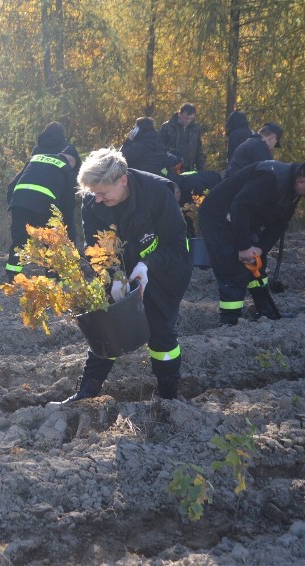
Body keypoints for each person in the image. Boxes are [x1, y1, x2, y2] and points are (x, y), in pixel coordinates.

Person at [60, 148, 191, 403]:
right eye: (92, 193)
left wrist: (146, 265)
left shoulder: (156, 193)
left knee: (160, 332)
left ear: (122, 180)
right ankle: (87, 391)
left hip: (166, 270)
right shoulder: (93, 203)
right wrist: (112, 278)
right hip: (123, 270)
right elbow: (96, 251)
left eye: (102, 193)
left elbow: (175, 244)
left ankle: (168, 396)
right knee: (105, 324)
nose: (96, 199)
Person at [198, 160, 305, 326]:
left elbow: (280, 224)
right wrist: (244, 247)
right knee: (232, 268)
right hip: (217, 216)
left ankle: (266, 312)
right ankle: (229, 323)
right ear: (302, 181)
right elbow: (240, 207)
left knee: (258, 264)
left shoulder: (293, 189)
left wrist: (260, 249)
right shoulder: (270, 177)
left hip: (242, 219)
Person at [5, 134, 78, 281]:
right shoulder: (66, 168)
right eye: (74, 163)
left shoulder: (36, 158)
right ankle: (52, 274)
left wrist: (13, 204)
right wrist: (68, 230)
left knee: (20, 240)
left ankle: (12, 274)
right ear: (70, 160)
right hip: (44, 204)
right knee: (50, 240)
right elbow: (68, 204)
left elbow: (12, 185)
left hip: (19, 202)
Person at [160, 102, 206, 171]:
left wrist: (201, 170)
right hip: (170, 168)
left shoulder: (195, 129)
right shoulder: (167, 127)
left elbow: (199, 151)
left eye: (190, 119)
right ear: (179, 114)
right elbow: (160, 148)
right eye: (186, 118)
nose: (188, 121)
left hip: (189, 169)